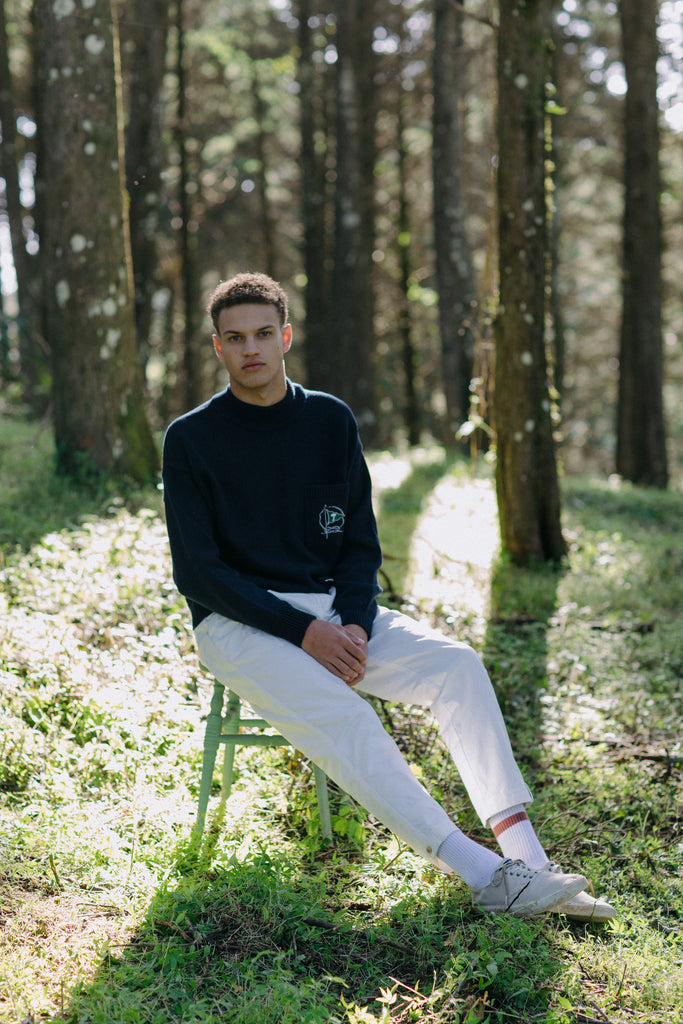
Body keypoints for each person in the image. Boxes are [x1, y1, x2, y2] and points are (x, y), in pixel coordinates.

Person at [162, 272, 616, 921]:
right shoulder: (191, 438)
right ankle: (487, 876)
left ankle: (534, 866)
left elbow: (359, 545)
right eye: (235, 338)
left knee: (455, 665)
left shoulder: (328, 420)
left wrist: (350, 622)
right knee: (349, 716)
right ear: (217, 348)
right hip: (236, 623)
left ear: (285, 336)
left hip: (331, 612)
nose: (251, 349)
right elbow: (198, 573)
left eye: (264, 333)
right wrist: (303, 632)